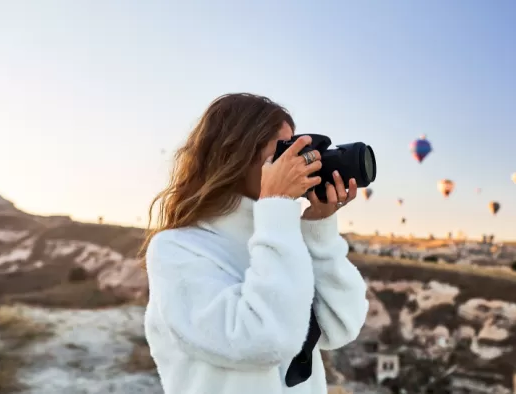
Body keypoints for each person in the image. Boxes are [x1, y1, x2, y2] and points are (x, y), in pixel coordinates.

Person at [141, 93, 369, 394]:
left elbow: (342, 325)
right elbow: (262, 340)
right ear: (235, 153)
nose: (297, 162)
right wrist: (276, 206)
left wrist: (319, 229)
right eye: (285, 149)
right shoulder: (177, 248)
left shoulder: (279, 240)